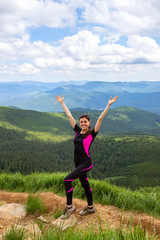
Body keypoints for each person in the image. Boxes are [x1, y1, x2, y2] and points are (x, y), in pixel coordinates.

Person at [56, 95, 118, 219]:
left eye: (85, 122)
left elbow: (100, 119)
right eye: (82, 122)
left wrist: (108, 105)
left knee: (67, 180)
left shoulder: (92, 134)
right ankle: (91, 208)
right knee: (85, 184)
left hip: (86, 163)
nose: (83, 123)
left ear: (89, 123)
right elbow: (69, 115)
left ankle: (70, 207)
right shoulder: (77, 130)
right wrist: (62, 102)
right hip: (78, 163)